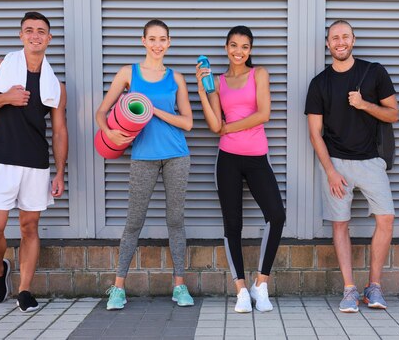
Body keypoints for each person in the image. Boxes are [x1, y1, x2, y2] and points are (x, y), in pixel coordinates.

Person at [0, 12, 68, 312]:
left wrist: (60, 171)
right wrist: (4, 98)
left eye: (41, 31)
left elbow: (60, 131)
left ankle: (25, 290)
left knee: (29, 227)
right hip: (2, 160)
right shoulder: (0, 68)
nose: (35, 35)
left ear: (49, 39)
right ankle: (0, 271)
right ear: (21, 35)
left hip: (36, 163)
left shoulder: (55, 86)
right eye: (29, 30)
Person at [97, 19, 194, 310]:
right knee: (133, 222)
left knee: (175, 221)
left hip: (176, 154)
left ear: (169, 42)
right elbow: (102, 111)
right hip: (142, 156)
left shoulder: (175, 78)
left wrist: (157, 112)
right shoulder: (129, 73)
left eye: (162, 39)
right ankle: (118, 289)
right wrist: (108, 132)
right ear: (143, 41)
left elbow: (187, 123)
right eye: (152, 39)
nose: (157, 44)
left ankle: (179, 286)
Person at [305, 20, 399, 313]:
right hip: (336, 164)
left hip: (371, 160)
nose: (340, 42)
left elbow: (393, 114)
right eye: (335, 38)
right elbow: (314, 133)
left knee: (386, 218)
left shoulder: (374, 72)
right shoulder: (319, 83)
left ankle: (374, 287)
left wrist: (365, 105)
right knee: (340, 223)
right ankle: (349, 289)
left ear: (353, 40)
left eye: (345, 36)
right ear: (328, 44)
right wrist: (331, 171)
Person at [196, 26, 285, 313]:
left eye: (244, 46)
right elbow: (213, 125)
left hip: (257, 157)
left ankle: (261, 284)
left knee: (276, 215)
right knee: (232, 225)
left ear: (250, 50)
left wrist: (228, 127)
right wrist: (201, 89)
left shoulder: (259, 74)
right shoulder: (217, 82)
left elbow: (264, 114)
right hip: (228, 160)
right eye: (233, 45)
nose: (238, 51)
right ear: (226, 47)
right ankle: (241, 290)